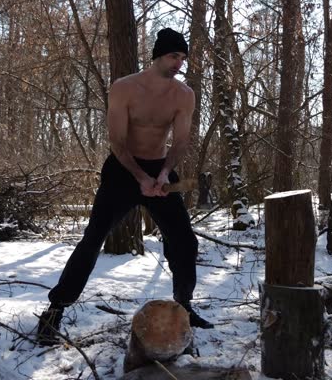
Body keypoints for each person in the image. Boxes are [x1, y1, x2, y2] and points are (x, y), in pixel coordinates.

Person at [36, 28, 213, 346]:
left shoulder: (183, 95)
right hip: (122, 169)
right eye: (174, 56)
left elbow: (181, 141)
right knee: (92, 240)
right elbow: (117, 142)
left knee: (185, 242)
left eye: (183, 58)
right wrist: (140, 178)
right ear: (158, 55)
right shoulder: (124, 88)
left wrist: (163, 174)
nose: (179, 63)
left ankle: (183, 307)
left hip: (159, 170)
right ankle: (56, 309)